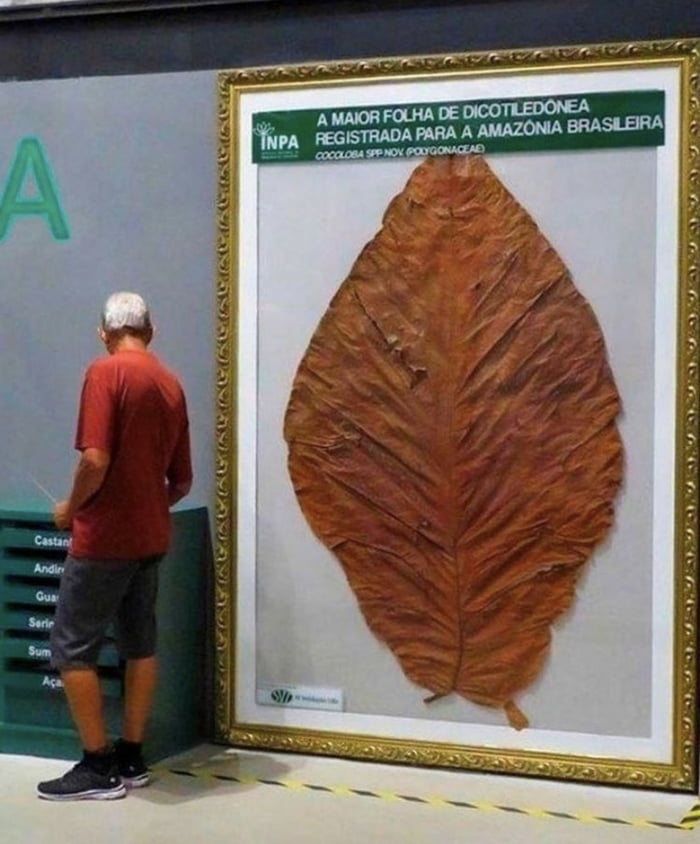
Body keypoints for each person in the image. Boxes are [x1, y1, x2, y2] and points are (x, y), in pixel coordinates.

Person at [37, 291, 192, 801]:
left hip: (103, 540)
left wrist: (71, 508)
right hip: (151, 538)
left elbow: (95, 459)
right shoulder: (171, 385)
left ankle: (97, 765)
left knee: (70, 646)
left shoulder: (104, 374)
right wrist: (147, 502)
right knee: (139, 643)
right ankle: (131, 755)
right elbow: (183, 482)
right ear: (152, 330)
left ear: (103, 333)